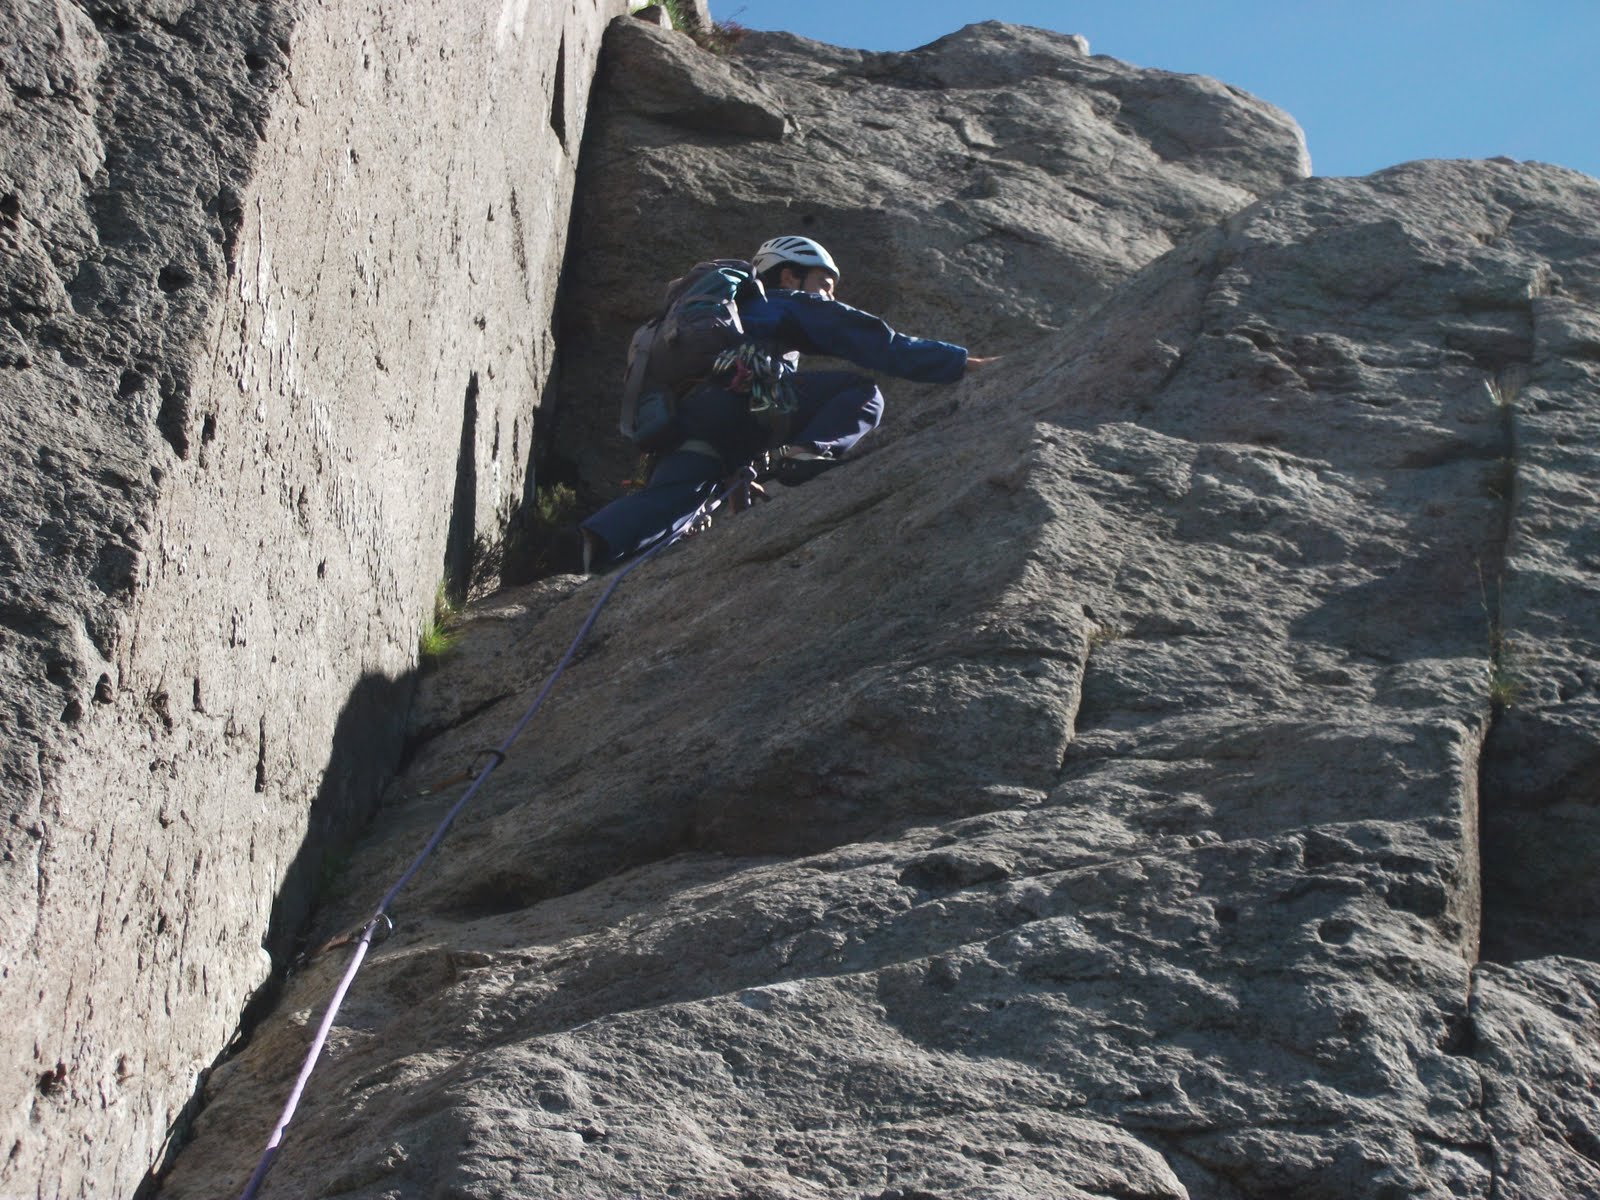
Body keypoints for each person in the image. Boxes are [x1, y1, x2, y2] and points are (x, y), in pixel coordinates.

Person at [579, 235, 995, 570]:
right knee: (861, 393)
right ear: (791, 277)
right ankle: (807, 453)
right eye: (824, 284)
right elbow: (875, 342)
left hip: (688, 420)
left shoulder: (728, 322)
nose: (828, 296)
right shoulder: (780, 302)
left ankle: (590, 548)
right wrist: (963, 363)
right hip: (739, 407)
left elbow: (729, 431)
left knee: (673, 501)